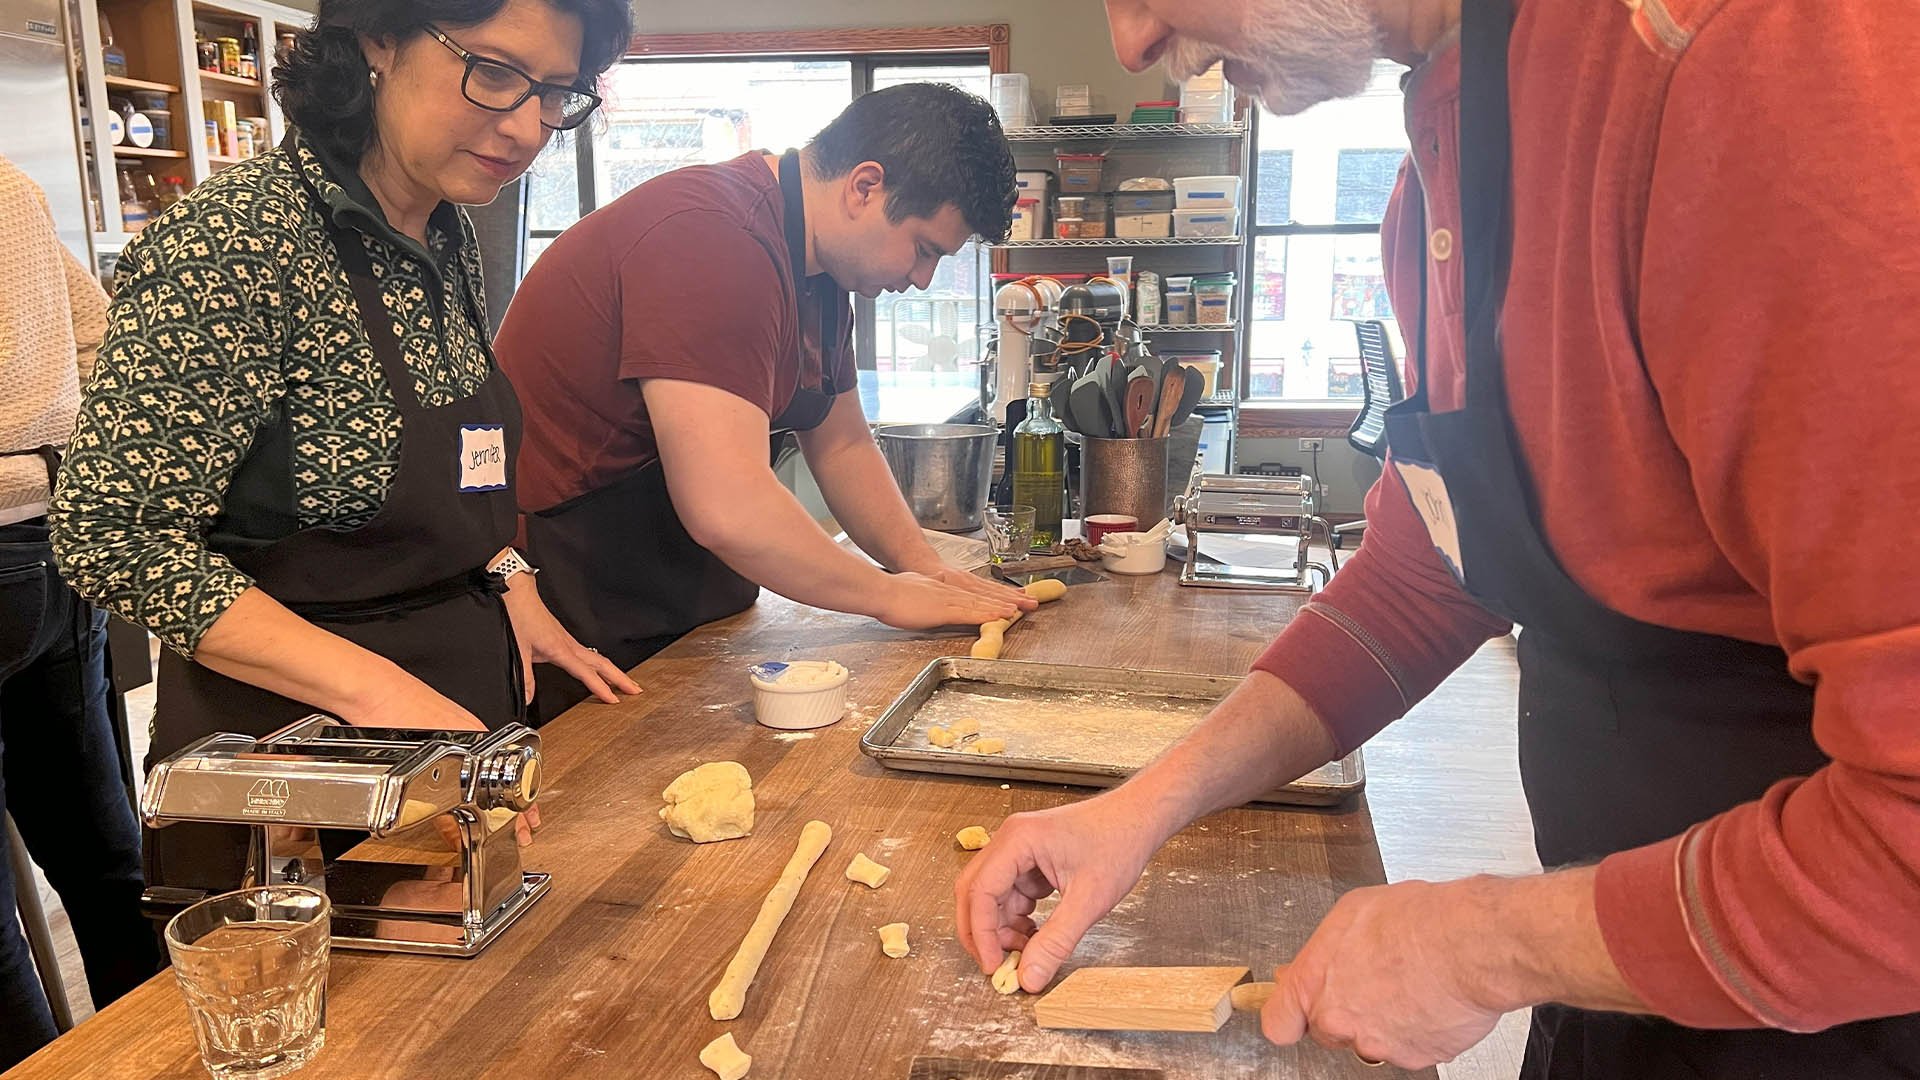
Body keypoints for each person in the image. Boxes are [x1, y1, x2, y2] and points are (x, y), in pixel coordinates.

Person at [957, 0, 1920, 1076]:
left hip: (1849, 1005)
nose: (1130, 43)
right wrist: (1139, 810)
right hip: (1632, 974)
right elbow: (1428, 577)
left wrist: (1484, 947)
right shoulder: (1438, 181)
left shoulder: (1748, 55)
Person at [49, 0, 638, 898]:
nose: (526, 127)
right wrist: (382, 699)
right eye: (493, 72)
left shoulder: (445, 231)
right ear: (377, 40)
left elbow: (458, 463)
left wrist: (507, 572)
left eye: (555, 93)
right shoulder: (240, 242)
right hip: (293, 774)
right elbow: (111, 535)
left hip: (453, 740)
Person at [494, 83, 1035, 719]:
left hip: (674, 593)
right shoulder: (712, 240)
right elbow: (726, 505)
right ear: (865, 186)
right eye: (924, 249)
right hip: (574, 596)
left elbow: (842, 445)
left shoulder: (822, 270)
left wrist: (925, 569)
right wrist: (887, 595)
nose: (922, 280)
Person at [0, 155, 161, 1070]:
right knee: (109, 864)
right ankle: (163, 1058)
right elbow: (107, 337)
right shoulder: (11, 184)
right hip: (49, 544)